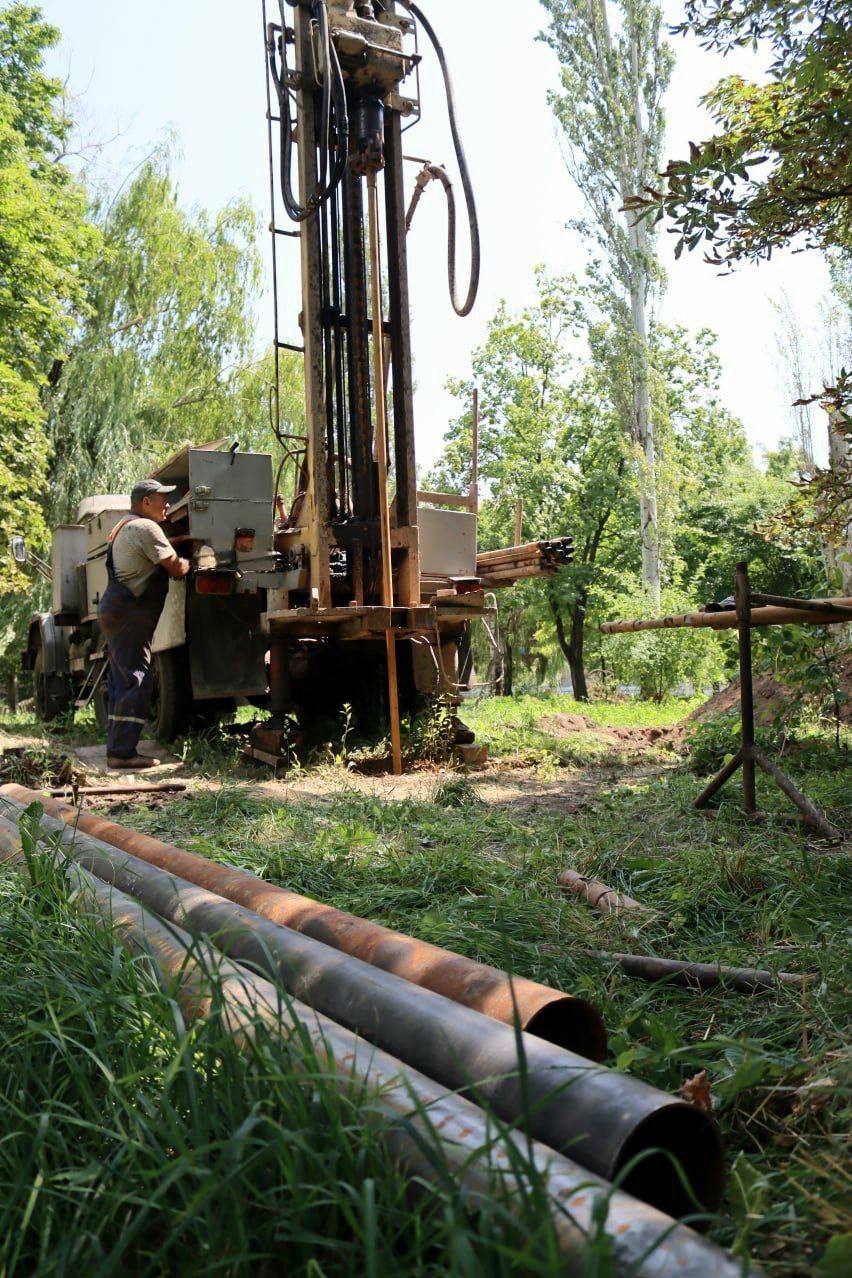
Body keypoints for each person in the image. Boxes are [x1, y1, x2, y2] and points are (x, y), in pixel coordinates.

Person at [99, 479, 190, 769]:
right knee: (136, 679)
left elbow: (148, 552)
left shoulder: (126, 526)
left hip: (116, 610)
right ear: (145, 502)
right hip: (130, 614)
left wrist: (173, 544)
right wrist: (192, 561)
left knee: (121, 680)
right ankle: (123, 754)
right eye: (162, 498)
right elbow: (175, 566)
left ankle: (118, 747)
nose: (167, 504)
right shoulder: (148, 528)